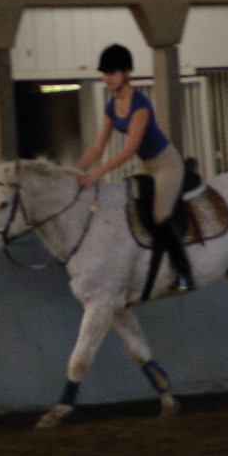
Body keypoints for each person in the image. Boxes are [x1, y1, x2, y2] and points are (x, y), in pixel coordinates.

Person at [76, 43, 195, 292]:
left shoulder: (140, 104)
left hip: (166, 164)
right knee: (130, 204)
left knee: (159, 214)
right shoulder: (111, 107)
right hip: (147, 165)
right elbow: (98, 147)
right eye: (104, 73)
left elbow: (130, 149)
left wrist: (96, 174)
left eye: (112, 72)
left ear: (126, 73)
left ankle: (184, 272)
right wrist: (77, 170)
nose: (107, 78)